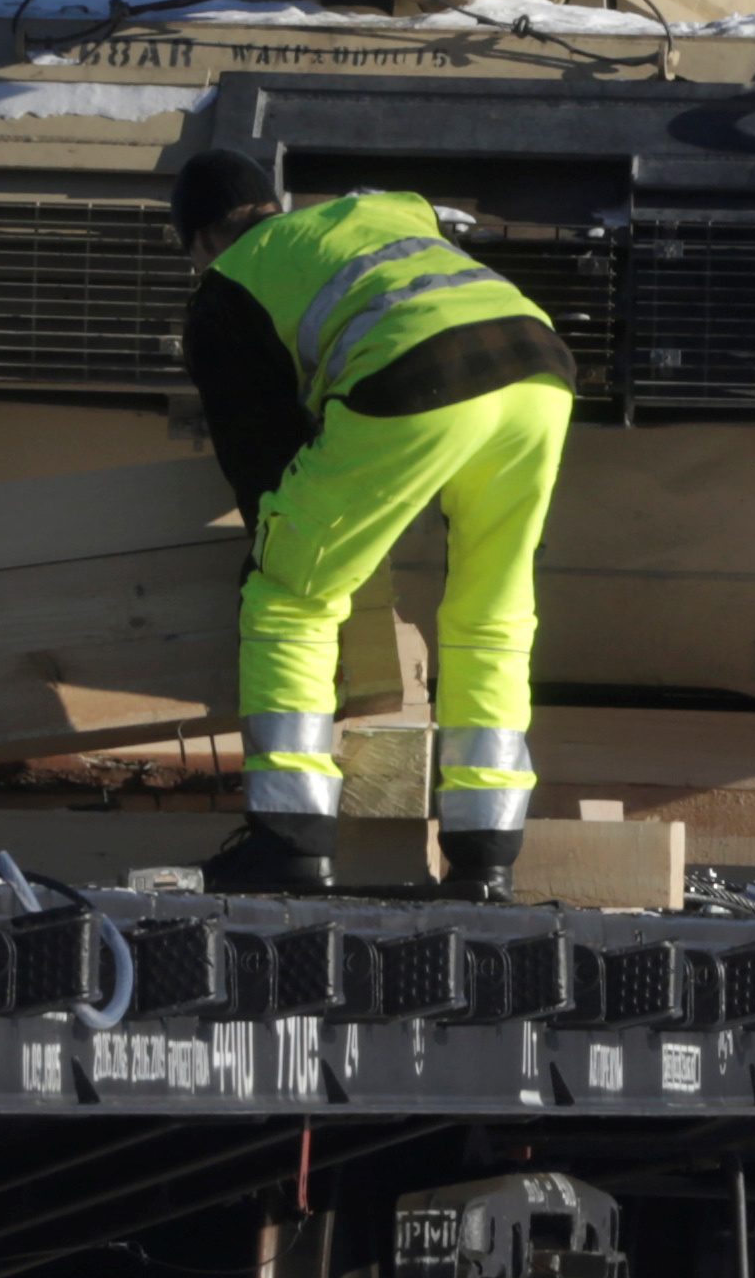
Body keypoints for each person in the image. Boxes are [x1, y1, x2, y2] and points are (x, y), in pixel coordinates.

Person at [169, 147, 575, 896]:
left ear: (197, 242)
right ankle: (485, 859)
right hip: (539, 370)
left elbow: (262, 461)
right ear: (271, 206)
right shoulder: (371, 216)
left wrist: (281, 545)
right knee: (494, 611)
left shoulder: (227, 287)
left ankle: (289, 843)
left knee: (289, 595)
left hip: (418, 374)